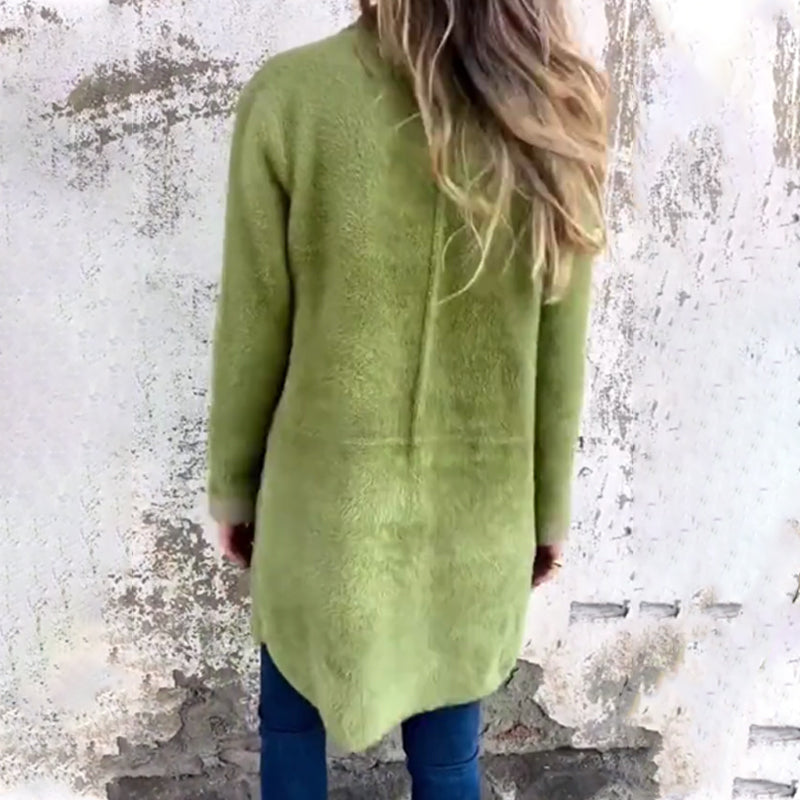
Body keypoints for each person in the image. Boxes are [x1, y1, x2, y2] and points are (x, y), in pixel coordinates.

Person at [206, 0, 608, 797]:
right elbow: (561, 356)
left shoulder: (291, 96)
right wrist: (547, 515)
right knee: (451, 760)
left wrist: (233, 490)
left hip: (321, 511)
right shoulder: (549, 108)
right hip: (478, 515)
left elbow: (254, 324)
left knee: (289, 727)